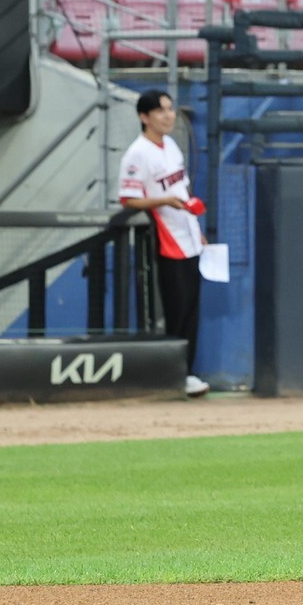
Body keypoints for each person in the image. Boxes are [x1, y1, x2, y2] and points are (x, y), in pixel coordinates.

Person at [114, 88, 208, 397]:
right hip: (166, 239)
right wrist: (163, 199)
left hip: (189, 236)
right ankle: (173, 375)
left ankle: (188, 373)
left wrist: (198, 229)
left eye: (170, 109)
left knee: (192, 309)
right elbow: (128, 198)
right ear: (144, 117)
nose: (169, 116)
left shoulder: (170, 146)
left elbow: (182, 190)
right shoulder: (137, 153)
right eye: (161, 111)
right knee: (176, 309)